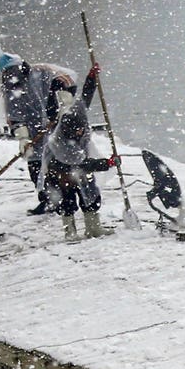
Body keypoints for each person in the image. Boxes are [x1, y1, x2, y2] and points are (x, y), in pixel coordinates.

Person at [38, 63, 117, 240]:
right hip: (61, 169)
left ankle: (93, 228)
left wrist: (92, 78)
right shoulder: (61, 140)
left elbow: (85, 98)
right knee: (67, 200)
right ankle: (70, 232)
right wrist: (107, 163)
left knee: (90, 194)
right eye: (78, 131)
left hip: (76, 168)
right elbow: (81, 163)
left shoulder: (74, 112)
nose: (82, 132)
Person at [0, 52, 78, 211]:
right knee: (35, 164)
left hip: (53, 125)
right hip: (33, 131)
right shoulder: (10, 86)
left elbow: (66, 80)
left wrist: (64, 103)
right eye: (7, 73)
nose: (11, 76)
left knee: (56, 164)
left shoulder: (42, 71)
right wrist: (22, 137)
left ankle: (62, 198)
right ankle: (47, 199)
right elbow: (13, 114)